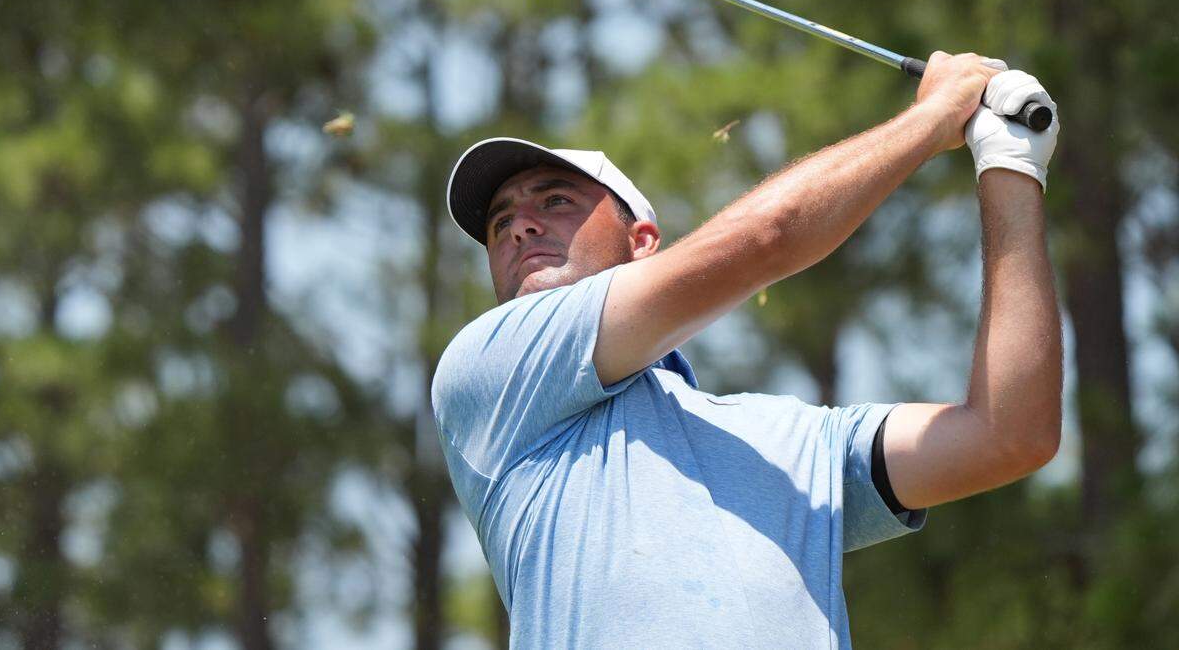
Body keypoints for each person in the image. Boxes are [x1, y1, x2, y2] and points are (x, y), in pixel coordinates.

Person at [431, 51, 1062, 648]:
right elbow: (768, 237)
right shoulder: (489, 371)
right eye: (498, 222)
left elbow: (1008, 434)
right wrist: (933, 116)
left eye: (555, 199)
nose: (519, 224)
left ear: (643, 239)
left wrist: (1009, 166)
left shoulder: (786, 437)